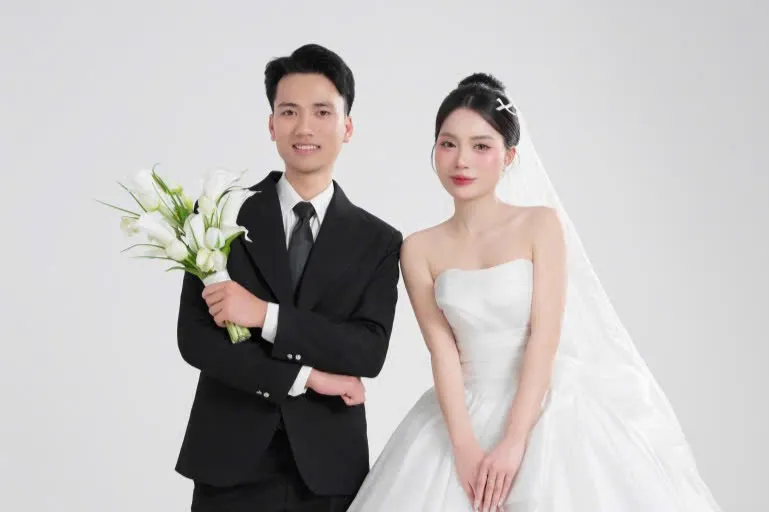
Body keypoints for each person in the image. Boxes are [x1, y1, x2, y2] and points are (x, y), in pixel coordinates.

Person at [347, 73, 722, 511]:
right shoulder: (418, 248)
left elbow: (544, 337)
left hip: (546, 407)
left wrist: (514, 441)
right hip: (461, 410)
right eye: (448, 144)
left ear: (508, 156)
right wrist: (463, 449)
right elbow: (442, 352)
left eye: (481, 146)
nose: (462, 160)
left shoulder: (539, 225)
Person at [174, 43, 403, 512]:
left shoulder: (378, 240)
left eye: (322, 112)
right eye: (289, 111)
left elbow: (367, 350)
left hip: (327, 470)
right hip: (227, 461)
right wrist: (305, 377)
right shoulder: (219, 213)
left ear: (347, 126)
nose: (304, 127)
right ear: (271, 124)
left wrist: (265, 316)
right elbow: (195, 339)